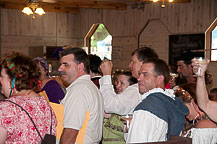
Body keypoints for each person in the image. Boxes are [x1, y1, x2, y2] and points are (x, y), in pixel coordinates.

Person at [127, 58, 189, 143]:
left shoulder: (146, 109)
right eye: (139, 74)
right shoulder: (171, 102)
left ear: (159, 79)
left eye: (145, 75)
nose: (138, 78)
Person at [0, 53, 57, 143]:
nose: (0, 80)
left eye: (2, 76)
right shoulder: (45, 104)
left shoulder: (7, 108)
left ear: (13, 79)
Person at [58, 47, 104, 143]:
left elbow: (70, 132)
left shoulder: (79, 90)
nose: (60, 69)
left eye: (66, 65)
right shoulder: (88, 86)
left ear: (80, 67)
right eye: (60, 65)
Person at [99, 47, 159, 115]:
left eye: (133, 62)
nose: (130, 65)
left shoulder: (137, 90)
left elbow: (110, 106)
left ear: (143, 64)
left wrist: (106, 75)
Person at [103, 71, 137, 144]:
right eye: (117, 82)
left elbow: (126, 130)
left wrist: (111, 116)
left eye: (122, 83)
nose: (118, 86)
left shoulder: (131, 105)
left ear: (131, 87)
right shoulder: (112, 100)